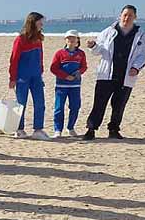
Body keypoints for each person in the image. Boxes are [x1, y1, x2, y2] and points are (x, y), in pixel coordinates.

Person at [85, 5, 145, 140]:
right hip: (106, 75)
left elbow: (143, 55)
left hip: (126, 75)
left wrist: (136, 68)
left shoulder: (141, 35)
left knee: (119, 105)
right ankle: (91, 129)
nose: (127, 18)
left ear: (135, 17)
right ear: (120, 15)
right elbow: (99, 51)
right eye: (125, 15)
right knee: (99, 103)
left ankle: (113, 129)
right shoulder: (108, 32)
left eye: (130, 15)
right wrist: (93, 46)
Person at [9, 11, 48, 139]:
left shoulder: (38, 38)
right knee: (21, 104)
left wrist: (41, 70)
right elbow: (14, 59)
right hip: (22, 77)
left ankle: (38, 129)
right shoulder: (20, 39)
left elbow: (40, 56)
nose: (42, 24)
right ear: (33, 22)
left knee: (40, 103)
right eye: (40, 21)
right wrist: (12, 78)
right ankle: (19, 129)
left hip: (36, 76)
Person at [50, 30, 88, 138]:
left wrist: (78, 72)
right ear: (65, 40)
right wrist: (65, 76)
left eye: (74, 38)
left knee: (75, 107)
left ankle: (71, 128)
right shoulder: (59, 53)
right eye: (69, 38)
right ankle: (58, 130)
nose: (71, 41)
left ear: (77, 41)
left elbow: (84, 66)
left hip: (75, 86)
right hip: (61, 86)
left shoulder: (81, 54)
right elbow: (53, 68)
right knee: (59, 108)